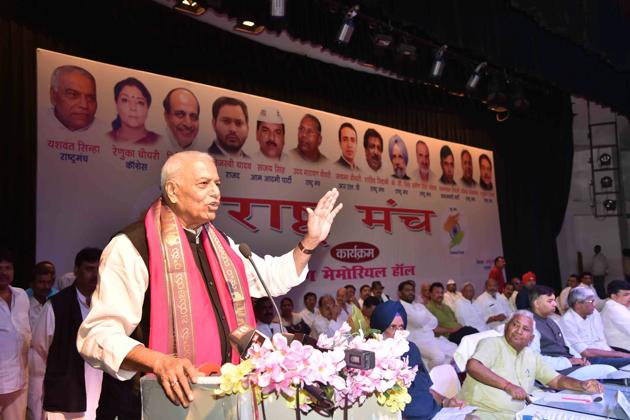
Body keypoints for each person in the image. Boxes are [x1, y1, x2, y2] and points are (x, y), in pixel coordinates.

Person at [77, 151, 342, 408]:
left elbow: (269, 278)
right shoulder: (132, 246)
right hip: (153, 402)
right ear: (172, 191)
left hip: (220, 401)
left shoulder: (220, 245)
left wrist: (311, 241)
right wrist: (158, 362)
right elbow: (97, 335)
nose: (215, 193)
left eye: (217, 184)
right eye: (204, 184)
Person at [459, 311, 603, 419]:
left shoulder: (531, 355)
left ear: (531, 338)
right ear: (506, 327)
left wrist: (582, 385)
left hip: (519, 415)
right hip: (483, 414)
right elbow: (473, 366)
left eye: (525, 329)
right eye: (515, 325)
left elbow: (557, 380)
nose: (519, 331)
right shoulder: (492, 344)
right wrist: (508, 386)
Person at [32, 248, 104, 420]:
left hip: (101, 393)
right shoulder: (56, 306)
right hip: (65, 396)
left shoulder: (106, 305)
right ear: (76, 271)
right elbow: (39, 350)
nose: (94, 275)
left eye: (98, 269)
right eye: (89, 269)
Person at [370, 301, 467, 419]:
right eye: (392, 327)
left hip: (435, 413)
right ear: (379, 330)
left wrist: (446, 402)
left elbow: (425, 389)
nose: (398, 332)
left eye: (401, 327)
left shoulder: (410, 349)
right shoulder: (373, 357)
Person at [529, 285, 612, 378]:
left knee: (610, 372)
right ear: (536, 303)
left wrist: (581, 360)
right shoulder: (529, 324)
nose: (555, 304)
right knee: (609, 371)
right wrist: (568, 362)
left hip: (571, 365)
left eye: (554, 300)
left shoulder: (552, 321)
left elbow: (567, 346)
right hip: (555, 372)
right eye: (550, 301)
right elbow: (533, 358)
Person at [559, 287, 630, 368]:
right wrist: (618, 354)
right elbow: (585, 352)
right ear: (578, 304)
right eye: (591, 301)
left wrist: (614, 353)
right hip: (588, 359)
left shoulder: (593, 313)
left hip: (605, 351)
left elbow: (601, 339)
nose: (594, 304)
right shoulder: (567, 321)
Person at [398, 280, 457, 369]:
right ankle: (429, 376)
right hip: (415, 340)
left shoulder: (419, 306)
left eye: (412, 290)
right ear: (400, 293)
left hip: (429, 337)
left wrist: (422, 321)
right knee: (439, 357)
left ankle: (442, 378)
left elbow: (434, 321)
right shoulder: (399, 307)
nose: (411, 292)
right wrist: (424, 320)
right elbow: (417, 321)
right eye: (407, 290)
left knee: (454, 350)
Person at [0, 249, 31, 419]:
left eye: (7, 268)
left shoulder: (21, 296)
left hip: (19, 380)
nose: (3, 272)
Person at [46, 65, 103, 133]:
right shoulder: (39, 122)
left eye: (90, 98)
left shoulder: (108, 134)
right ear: (53, 96)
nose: (84, 105)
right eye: (73, 94)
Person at [107, 77, 160, 144]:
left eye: (140, 102)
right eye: (125, 100)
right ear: (116, 105)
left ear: (147, 109)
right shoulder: (104, 139)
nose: (133, 108)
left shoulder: (159, 142)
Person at [600, 280, 630, 352]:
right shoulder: (614, 308)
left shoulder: (620, 305)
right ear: (613, 296)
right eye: (626, 295)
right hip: (621, 350)